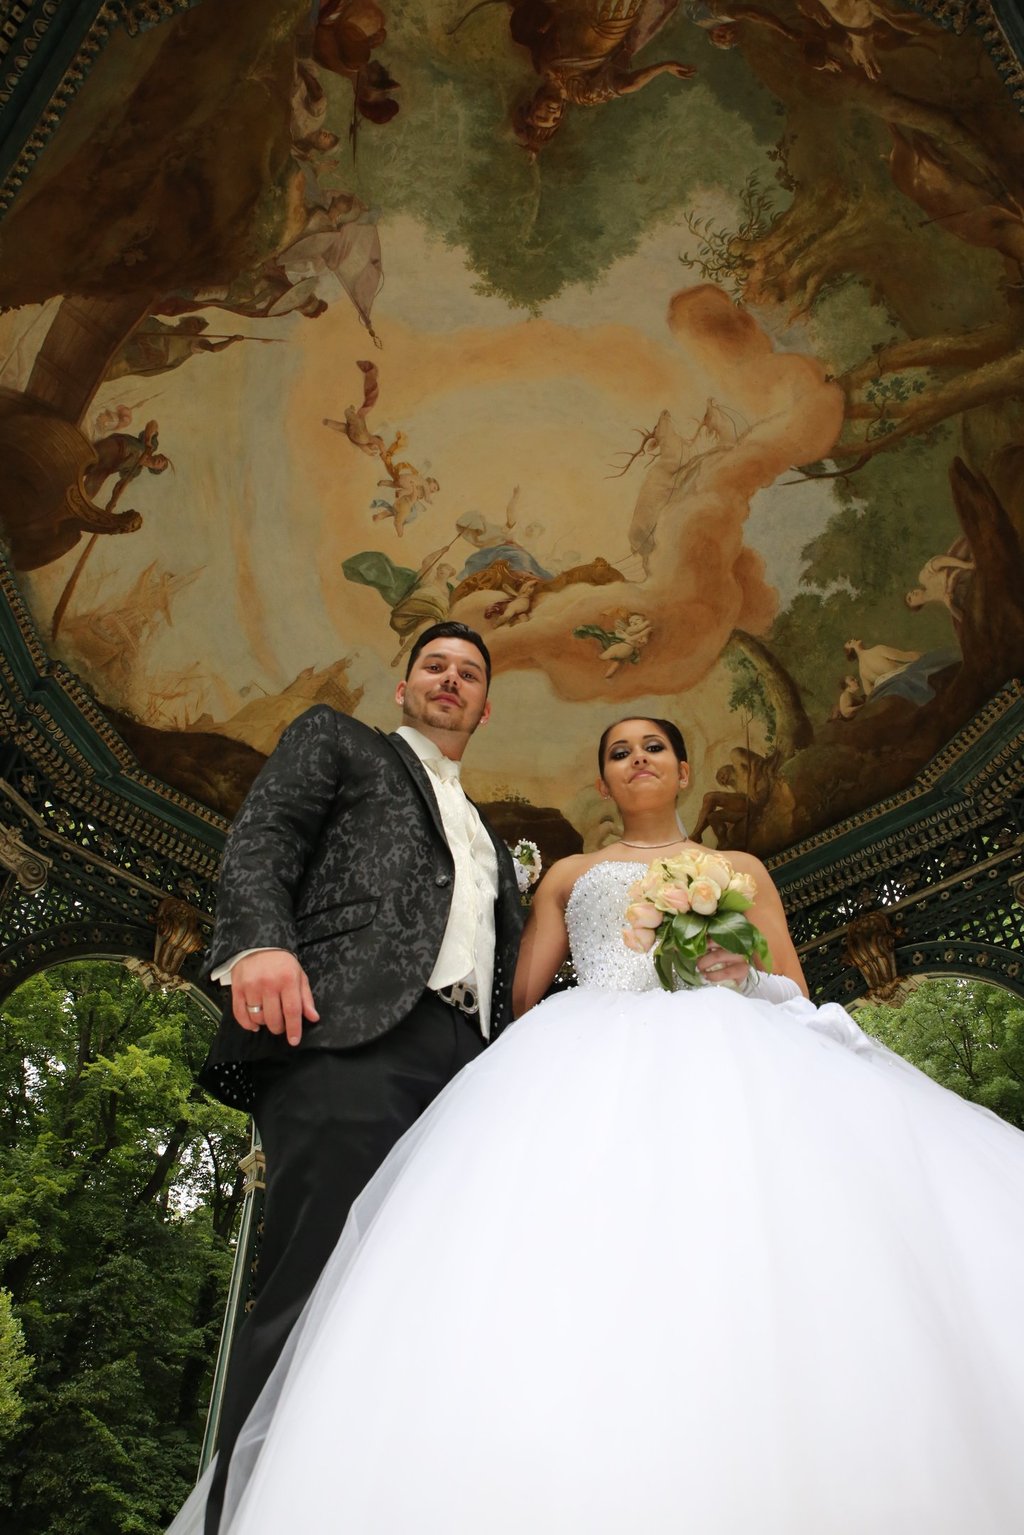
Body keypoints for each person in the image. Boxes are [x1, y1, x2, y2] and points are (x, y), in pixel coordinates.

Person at [174, 716, 1024, 1534]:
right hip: (591, 1051)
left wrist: (739, 964)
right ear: (604, 777)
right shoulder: (569, 875)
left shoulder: (740, 866)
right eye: (620, 751)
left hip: (736, 1054)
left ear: (684, 770)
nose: (638, 758)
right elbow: (521, 997)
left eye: (655, 746)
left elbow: (793, 983)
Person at [196, 621, 524, 1535]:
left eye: (469, 674)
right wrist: (261, 942)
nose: (450, 681)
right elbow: (266, 833)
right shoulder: (338, 740)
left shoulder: (493, 835)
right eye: (435, 667)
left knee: (425, 1306)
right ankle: (243, 1517)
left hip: (468, 1077)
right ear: (404, 687)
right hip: (348, 1036)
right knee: (309, 1282)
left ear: (487, 706)